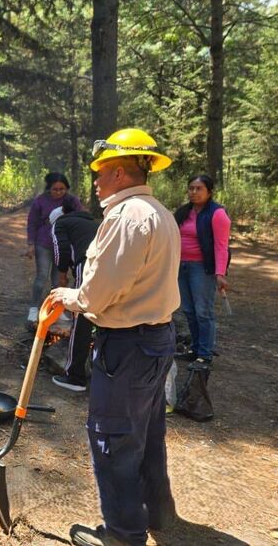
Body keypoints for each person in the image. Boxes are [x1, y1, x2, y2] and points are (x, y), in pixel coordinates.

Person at [47, 128, 180, 546]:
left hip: (128, 346)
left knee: (114, 439)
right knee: (146, 432)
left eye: (101, 173)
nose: (96, 181)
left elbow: (100, 294)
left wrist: (68, 296)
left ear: (120, 173)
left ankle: (123, 534)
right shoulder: (160, 212)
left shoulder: (126, 217)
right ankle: (156, 512)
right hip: (157, 339)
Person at [173, 174, 231, 365]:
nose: (194, 192)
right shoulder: (183, 212)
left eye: (199, 189)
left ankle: (204, 354)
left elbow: (221, 246)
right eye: (191, 188)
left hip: (202, 268)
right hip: (181, 266)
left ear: (209, 192)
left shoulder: (217, 213)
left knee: (203, 312)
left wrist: (220, 273)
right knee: (188, 310)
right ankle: (195, 349)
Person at [50, 202, 100, 392]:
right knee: (100, 315)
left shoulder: (58, 224)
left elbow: (60, 249)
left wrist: (62, 273)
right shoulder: (92, 222)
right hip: (108, 269)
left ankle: (75, 376)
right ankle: (100, 374)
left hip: (86, 264)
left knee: (81, 316)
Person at [25, 172, 83, 326]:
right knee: (41, 277)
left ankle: (56, 310)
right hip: (44, 243)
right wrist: (31, 244)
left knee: (58, 280)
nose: (58, 192)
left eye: (62, 189)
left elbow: (79, 219)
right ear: (49, 189)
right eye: (55, 189)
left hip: (63, 245)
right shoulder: (41, 201)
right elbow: (32, 222)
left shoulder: (72, 201)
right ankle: (34, 308)